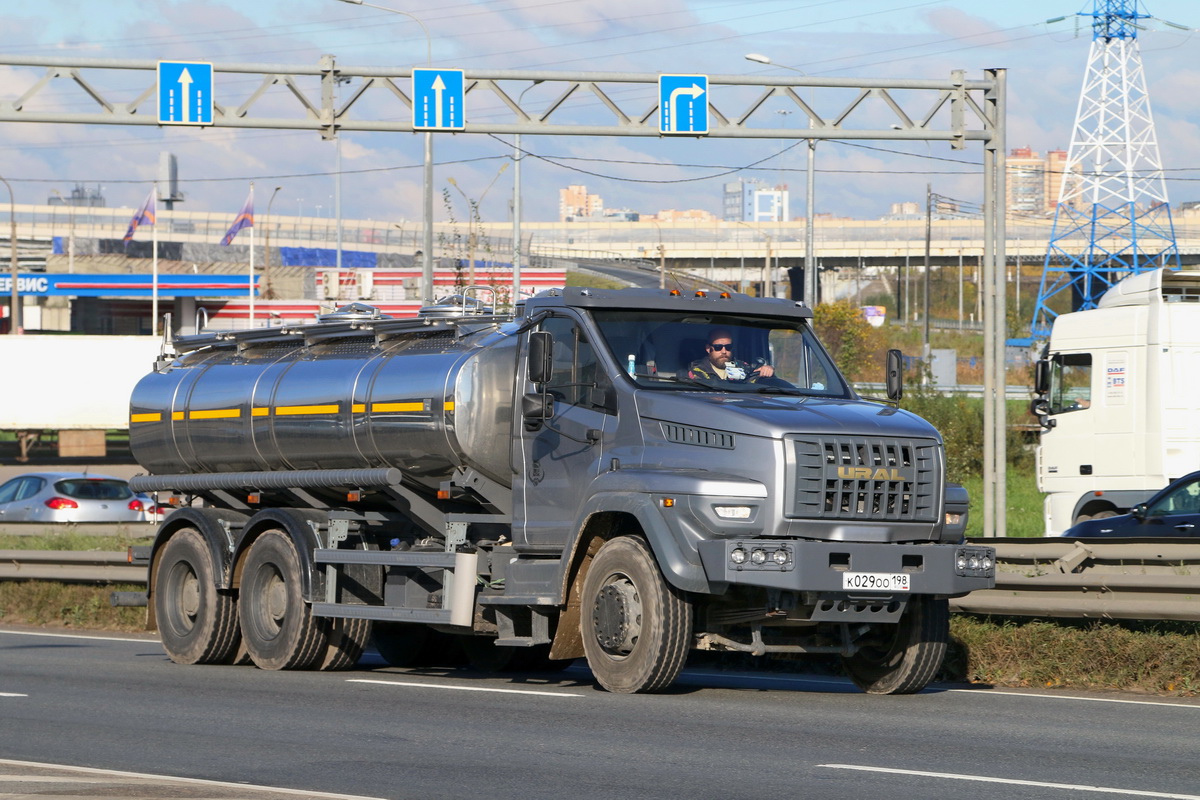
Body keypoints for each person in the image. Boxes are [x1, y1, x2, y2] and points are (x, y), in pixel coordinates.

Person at [687, 329, 775, 383]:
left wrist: (767, 370)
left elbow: (755, 381)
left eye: (728, 347)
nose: (724, 351)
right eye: (718, 347)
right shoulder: (696, 370)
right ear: (708, 348)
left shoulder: (744, 368)